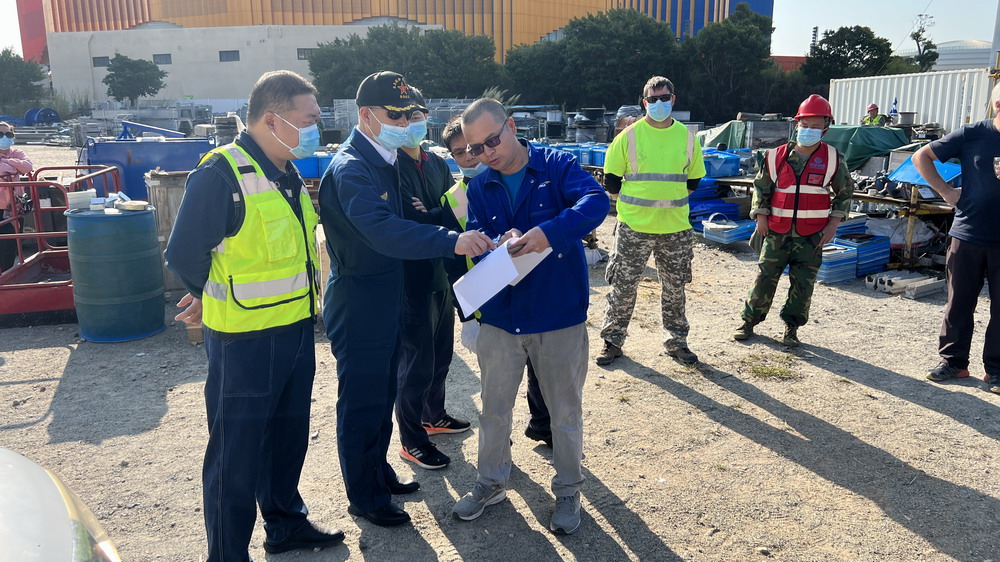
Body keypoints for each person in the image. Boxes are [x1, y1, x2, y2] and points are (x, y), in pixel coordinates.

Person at [164, 70, 344, 561]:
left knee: (287, 439)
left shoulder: (285, 172)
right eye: (309, 120)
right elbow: (183, 253)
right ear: (272, 120)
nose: (317, 129)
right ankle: (227, 554)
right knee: (236, 456)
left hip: (294, 330)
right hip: (243, 340)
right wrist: (208, 294)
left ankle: (285, 524)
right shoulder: (221, 173)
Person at [320, 71, 493, 528]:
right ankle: (366, 497)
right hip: (360, 301)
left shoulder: (383, 158)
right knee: (362, 405)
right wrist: (450, 240)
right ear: (365, 115)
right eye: (395, 115)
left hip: (387, 294)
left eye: (409, 114)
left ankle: (378, 474)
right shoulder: (352, 167)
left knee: (382, 398)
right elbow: (382, 230)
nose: (404, 123)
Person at [451, 98, 609, 535]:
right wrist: (499, 240)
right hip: (502, 317)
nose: (486, 153)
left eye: (492, 141)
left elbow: (596, 201)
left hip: (557, 314)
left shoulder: (557, 166)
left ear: (512, 126)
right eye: (476, 149)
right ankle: (490, 483)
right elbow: (482, 234)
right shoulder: (480, 187)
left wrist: (548, 233)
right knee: (494, 410)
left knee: (563, 413)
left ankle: (568, 490)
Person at [440, 116, 552, 448]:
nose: (470, 157)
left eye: (474, 148)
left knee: (540, 366)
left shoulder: (515, 178)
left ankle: (543, 424)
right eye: (460, 152)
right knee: (498, 378)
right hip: (488, 300)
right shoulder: (453, 199)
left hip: (530, 288)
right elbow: (452, 264)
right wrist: (466, 313)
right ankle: (501, 444)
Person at [596, 76, 706, 367]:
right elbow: (611, 181)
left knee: (675, 289)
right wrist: (637, 206)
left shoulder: (686, 137)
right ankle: (612, 341)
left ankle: (677, 342)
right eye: (653, 99)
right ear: (644, 102)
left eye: (664, 98)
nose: (659, 103)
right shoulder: (628, 137)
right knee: (622, 286)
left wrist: (666, 202)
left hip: (675, 228)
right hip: (634, 228)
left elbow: (694, 180)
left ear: (673, 99)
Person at [733, 94, 854, 346]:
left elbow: (845, 193)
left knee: (803, 284)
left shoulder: (833, 159)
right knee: (764, 278)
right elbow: (761, 188)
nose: (808, 130)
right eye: (805, 125)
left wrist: (833, 224)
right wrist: (760, 217)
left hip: (812, 235)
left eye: (815, 126)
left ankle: (792, 328)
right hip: (776, 231)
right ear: (797, 124)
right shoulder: (775, 156)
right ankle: (749, 322)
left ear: (825, 128)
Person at [393, 88, 471, 472]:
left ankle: (433, 415)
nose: (412, 122)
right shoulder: (392, 167)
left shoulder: (437, 162)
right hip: (413, 278)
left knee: (441, 355)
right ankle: (412, 440)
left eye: (417, 114)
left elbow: (451, 212)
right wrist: (432, 214)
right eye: (403, 115)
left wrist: (432, 213)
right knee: (416, 363)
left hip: (442, 273)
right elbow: (410, 222)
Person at [913, 82, 1000, 394]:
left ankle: (997, 370)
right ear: (996, 105)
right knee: (959, 302)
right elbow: (921, 157)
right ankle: (954, 362)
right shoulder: (973, 134)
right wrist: (947, 192)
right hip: (968, 234)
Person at [0, 122, 32, 271]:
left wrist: (6, 161)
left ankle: (7, 274)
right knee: (4, 243)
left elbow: (28, 166)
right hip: (1, 207)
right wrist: (14, 168)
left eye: (8, 134)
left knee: (13, 243)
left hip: (16, 207)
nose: (5, 137)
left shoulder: (17, 152)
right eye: (0, 134)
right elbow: (3, 170)